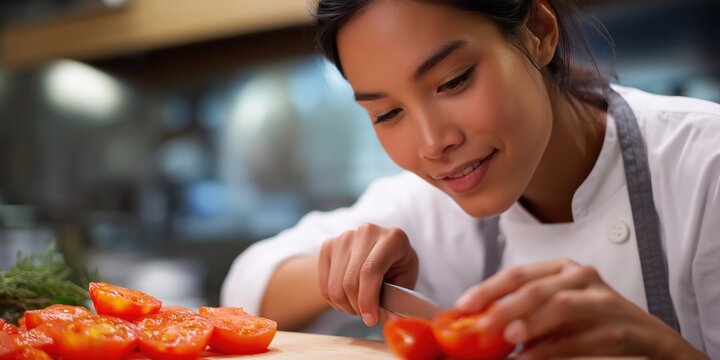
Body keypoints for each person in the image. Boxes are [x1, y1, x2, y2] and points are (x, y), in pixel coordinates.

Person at [221, 0, 719, 358]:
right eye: (388, 113)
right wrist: (351, 267)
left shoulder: (704, 166)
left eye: (453, 81)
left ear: (539, 32)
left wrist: (660, 349)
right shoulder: (431, 201)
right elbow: (244, 291)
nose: (432, 143)